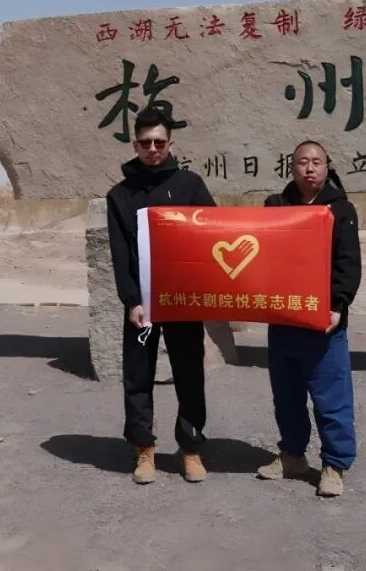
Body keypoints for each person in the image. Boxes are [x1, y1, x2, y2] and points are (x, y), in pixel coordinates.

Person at [105, 107, 217, 485]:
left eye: (159, 142)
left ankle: (191, 448)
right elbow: (120, 253)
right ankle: (144, 449)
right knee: (138, 377)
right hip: (143, 304)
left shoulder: (190, 185)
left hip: (183, 301)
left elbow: (213, 234)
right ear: (134, 144)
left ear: (170, 143)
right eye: (145, 143)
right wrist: (131, 300)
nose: (153, 149)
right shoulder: (120, 195)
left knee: (190, 374)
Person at [256, 140, 362, 498]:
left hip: (324, 322)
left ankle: (334, 464)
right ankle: (292, 456)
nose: (310, 168)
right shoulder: (276, 207)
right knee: (286, 396)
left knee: (331, 397)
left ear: (327, 167)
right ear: (292, 168)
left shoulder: (340, 210)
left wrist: (338, 305)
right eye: (303, 162)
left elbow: (348, 263)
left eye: (317, 162)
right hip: (284, 318)